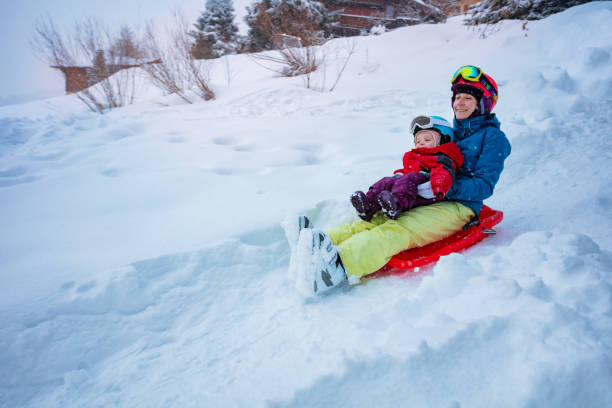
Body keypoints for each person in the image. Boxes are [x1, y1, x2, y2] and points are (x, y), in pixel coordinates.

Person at [286, 65, 511, 296]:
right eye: (457, 97)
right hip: (427, 199)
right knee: (375, 219)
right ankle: (316, 245)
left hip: (458, 205)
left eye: (467, 98)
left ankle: (338, 266)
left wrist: (442, 189)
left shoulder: (493, 138)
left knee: (398, 229)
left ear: (482, 103)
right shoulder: (451, 131)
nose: (459, 103)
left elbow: (484, 185)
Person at [350, 115, 464, 221]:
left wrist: (437, 187)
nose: (421, 143)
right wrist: (398, 176)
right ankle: (369, 206)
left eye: (427, 140)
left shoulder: (442, 158)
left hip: (427, 191)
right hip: (410, 186)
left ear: (443, 140)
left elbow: (444, 173)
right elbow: (407, 171)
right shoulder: (414, 156)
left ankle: (396, 205)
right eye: (418, 141)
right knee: (387, 180)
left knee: (409, 177)